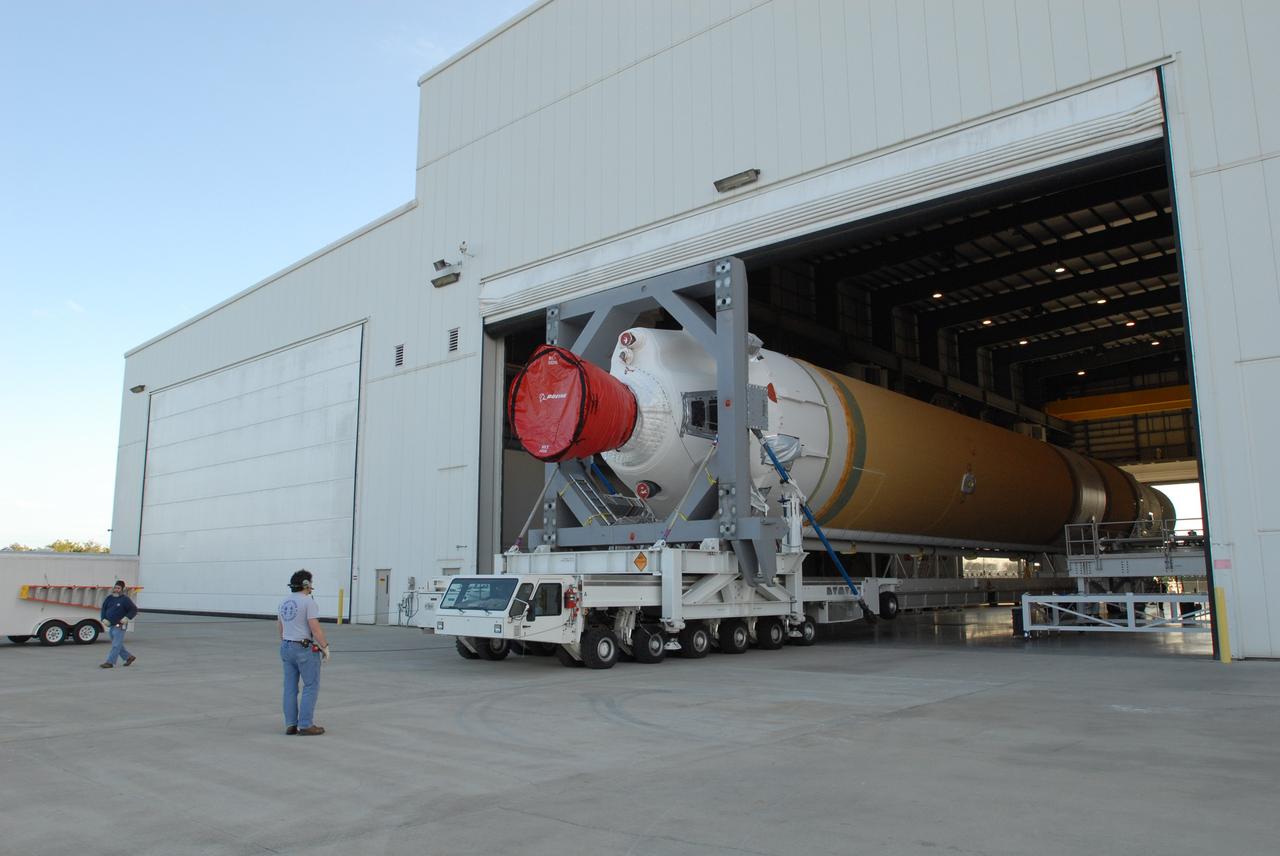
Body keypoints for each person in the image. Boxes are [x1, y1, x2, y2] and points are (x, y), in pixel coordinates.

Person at [278, 569, 330, 736]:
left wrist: (287, 642)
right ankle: (306, 724)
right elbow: (315, 628)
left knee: (290, 688)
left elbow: (281, 628)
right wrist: (325, 646)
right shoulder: (308, 602)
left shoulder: (284, 602)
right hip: (304, 648)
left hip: (286, 646)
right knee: (311, 685)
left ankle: (291, 724)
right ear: (306, 584)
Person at [99, 580, 138, 669]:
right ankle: (129, 657)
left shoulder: (125, 599)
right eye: (115, 588)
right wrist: (103, 619)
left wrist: (127, 618)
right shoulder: (109, 598)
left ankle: (110, 662)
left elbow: (133, 610)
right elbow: (103, 609)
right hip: (111, 625)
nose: (116, 590)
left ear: (122, 589)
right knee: (117, 643)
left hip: (119, 625)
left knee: (116, 644)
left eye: (118, 588)